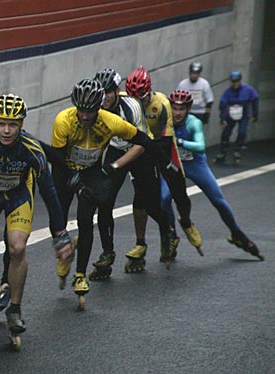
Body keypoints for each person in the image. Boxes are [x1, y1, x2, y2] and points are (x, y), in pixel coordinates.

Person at [0, 93, 72, 348]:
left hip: (18, 196)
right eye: (1, 124)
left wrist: (59, 232)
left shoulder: (32, 149)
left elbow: (49, 191)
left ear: (21, 125)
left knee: (17, 247)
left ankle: (15, 309)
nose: (7, 131)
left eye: (13, 125)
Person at [50, 78, 174, 309]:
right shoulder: (63, 121)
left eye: (91, 111)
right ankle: (63, 253)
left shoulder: (111, 121)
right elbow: (56, 161)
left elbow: (143, 140)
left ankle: (80, 274)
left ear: (100, 108)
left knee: (86, 221)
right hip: (66, 172)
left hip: (90, 172)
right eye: (81, 111)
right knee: (57, 218)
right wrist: (71, 180)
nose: (85, 116)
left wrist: (166, 163)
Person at [90, 68, 176, 278]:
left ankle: (167, 232)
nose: (105, 97)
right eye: (101, 92)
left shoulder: (132, 107)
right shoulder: (95, 107)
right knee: (105, 201)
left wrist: (116, 166)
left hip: (140, 149)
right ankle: (107, 253)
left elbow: (140, 144)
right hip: (117, 147)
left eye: (109, 92)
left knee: (149, 203)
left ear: (117, 91)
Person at [163, 90, 264, 261]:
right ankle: (171, 236)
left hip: (194, 164)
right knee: (164, 198)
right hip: (175, 165)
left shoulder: (193, 122)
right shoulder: (165, 122)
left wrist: (179, 141)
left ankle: (237, 233)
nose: (178, 113)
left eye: (181, 109)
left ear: (188, 109)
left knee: (218, 199)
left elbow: (201, 146)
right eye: (174, 108)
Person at [125, 66, 203, 258]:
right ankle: (140, 243)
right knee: (141, 196)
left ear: (149, 91)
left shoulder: (162, 104)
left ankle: (185, 221)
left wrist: (146, 148)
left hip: (164, 149)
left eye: (141, 98)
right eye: (133, 98)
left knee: (179, 192)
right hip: (141, 152)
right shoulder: (127, 103)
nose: (138, 102)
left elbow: (166, 140)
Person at [214, 71, 259, 165]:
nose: (235, 84)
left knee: (242, 132)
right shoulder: (228, 91)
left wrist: (255, 114)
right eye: (233, 82)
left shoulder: (248, 89)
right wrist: (223, 119)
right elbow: (223, 104)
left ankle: (237, 150)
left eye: (237, 81)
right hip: (231, 113)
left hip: (244, 113)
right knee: (226, 133)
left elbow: (255, 100)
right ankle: (223, 151)